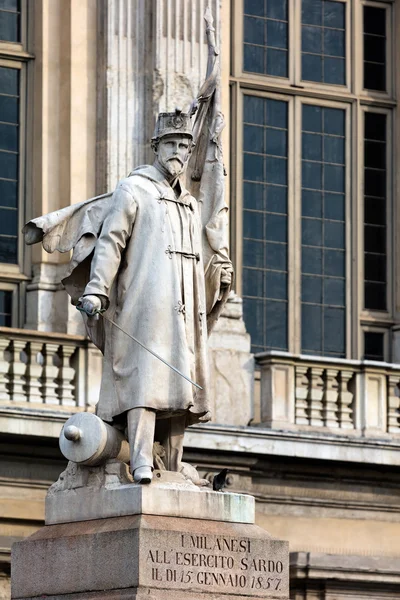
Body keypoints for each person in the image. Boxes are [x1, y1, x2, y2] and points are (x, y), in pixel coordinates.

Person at [75, 110, 232, 483]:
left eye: (183, 145)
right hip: (144, 304)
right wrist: (97, 289)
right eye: (171, 144)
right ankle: (142, 459)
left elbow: (198, 261)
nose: (178, 151)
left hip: (183, 310)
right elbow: (111, 243)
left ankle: (174, 466)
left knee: (182, 386)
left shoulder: (191, 205)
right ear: (156, 147)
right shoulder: (134, 190)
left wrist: (217, 276)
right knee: (145, 381)